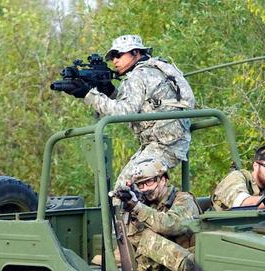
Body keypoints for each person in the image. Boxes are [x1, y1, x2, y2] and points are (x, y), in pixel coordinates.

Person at [65, 34, 195, 188]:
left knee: (124, 189)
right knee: (126, 189)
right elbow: (137, 104)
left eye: (118, 55)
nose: (114, 61)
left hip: (164, 146)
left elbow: (124, 112)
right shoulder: (151, 69)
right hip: (167, 143)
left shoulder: (139, 75)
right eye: (112, 57)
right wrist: (110, 91)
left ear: (135, 53)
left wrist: (88, 95)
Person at [113, 159, 200, 271]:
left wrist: (138, 207)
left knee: (148, 237)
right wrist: (132, 213)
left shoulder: (184, 200)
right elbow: (134, 240)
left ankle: (191, 268)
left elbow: (170, 224)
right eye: (140, 185)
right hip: (156, 267)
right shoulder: (148, 204)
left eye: (149, 182)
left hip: (189, 265)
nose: (145, 189)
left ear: (163, 180)